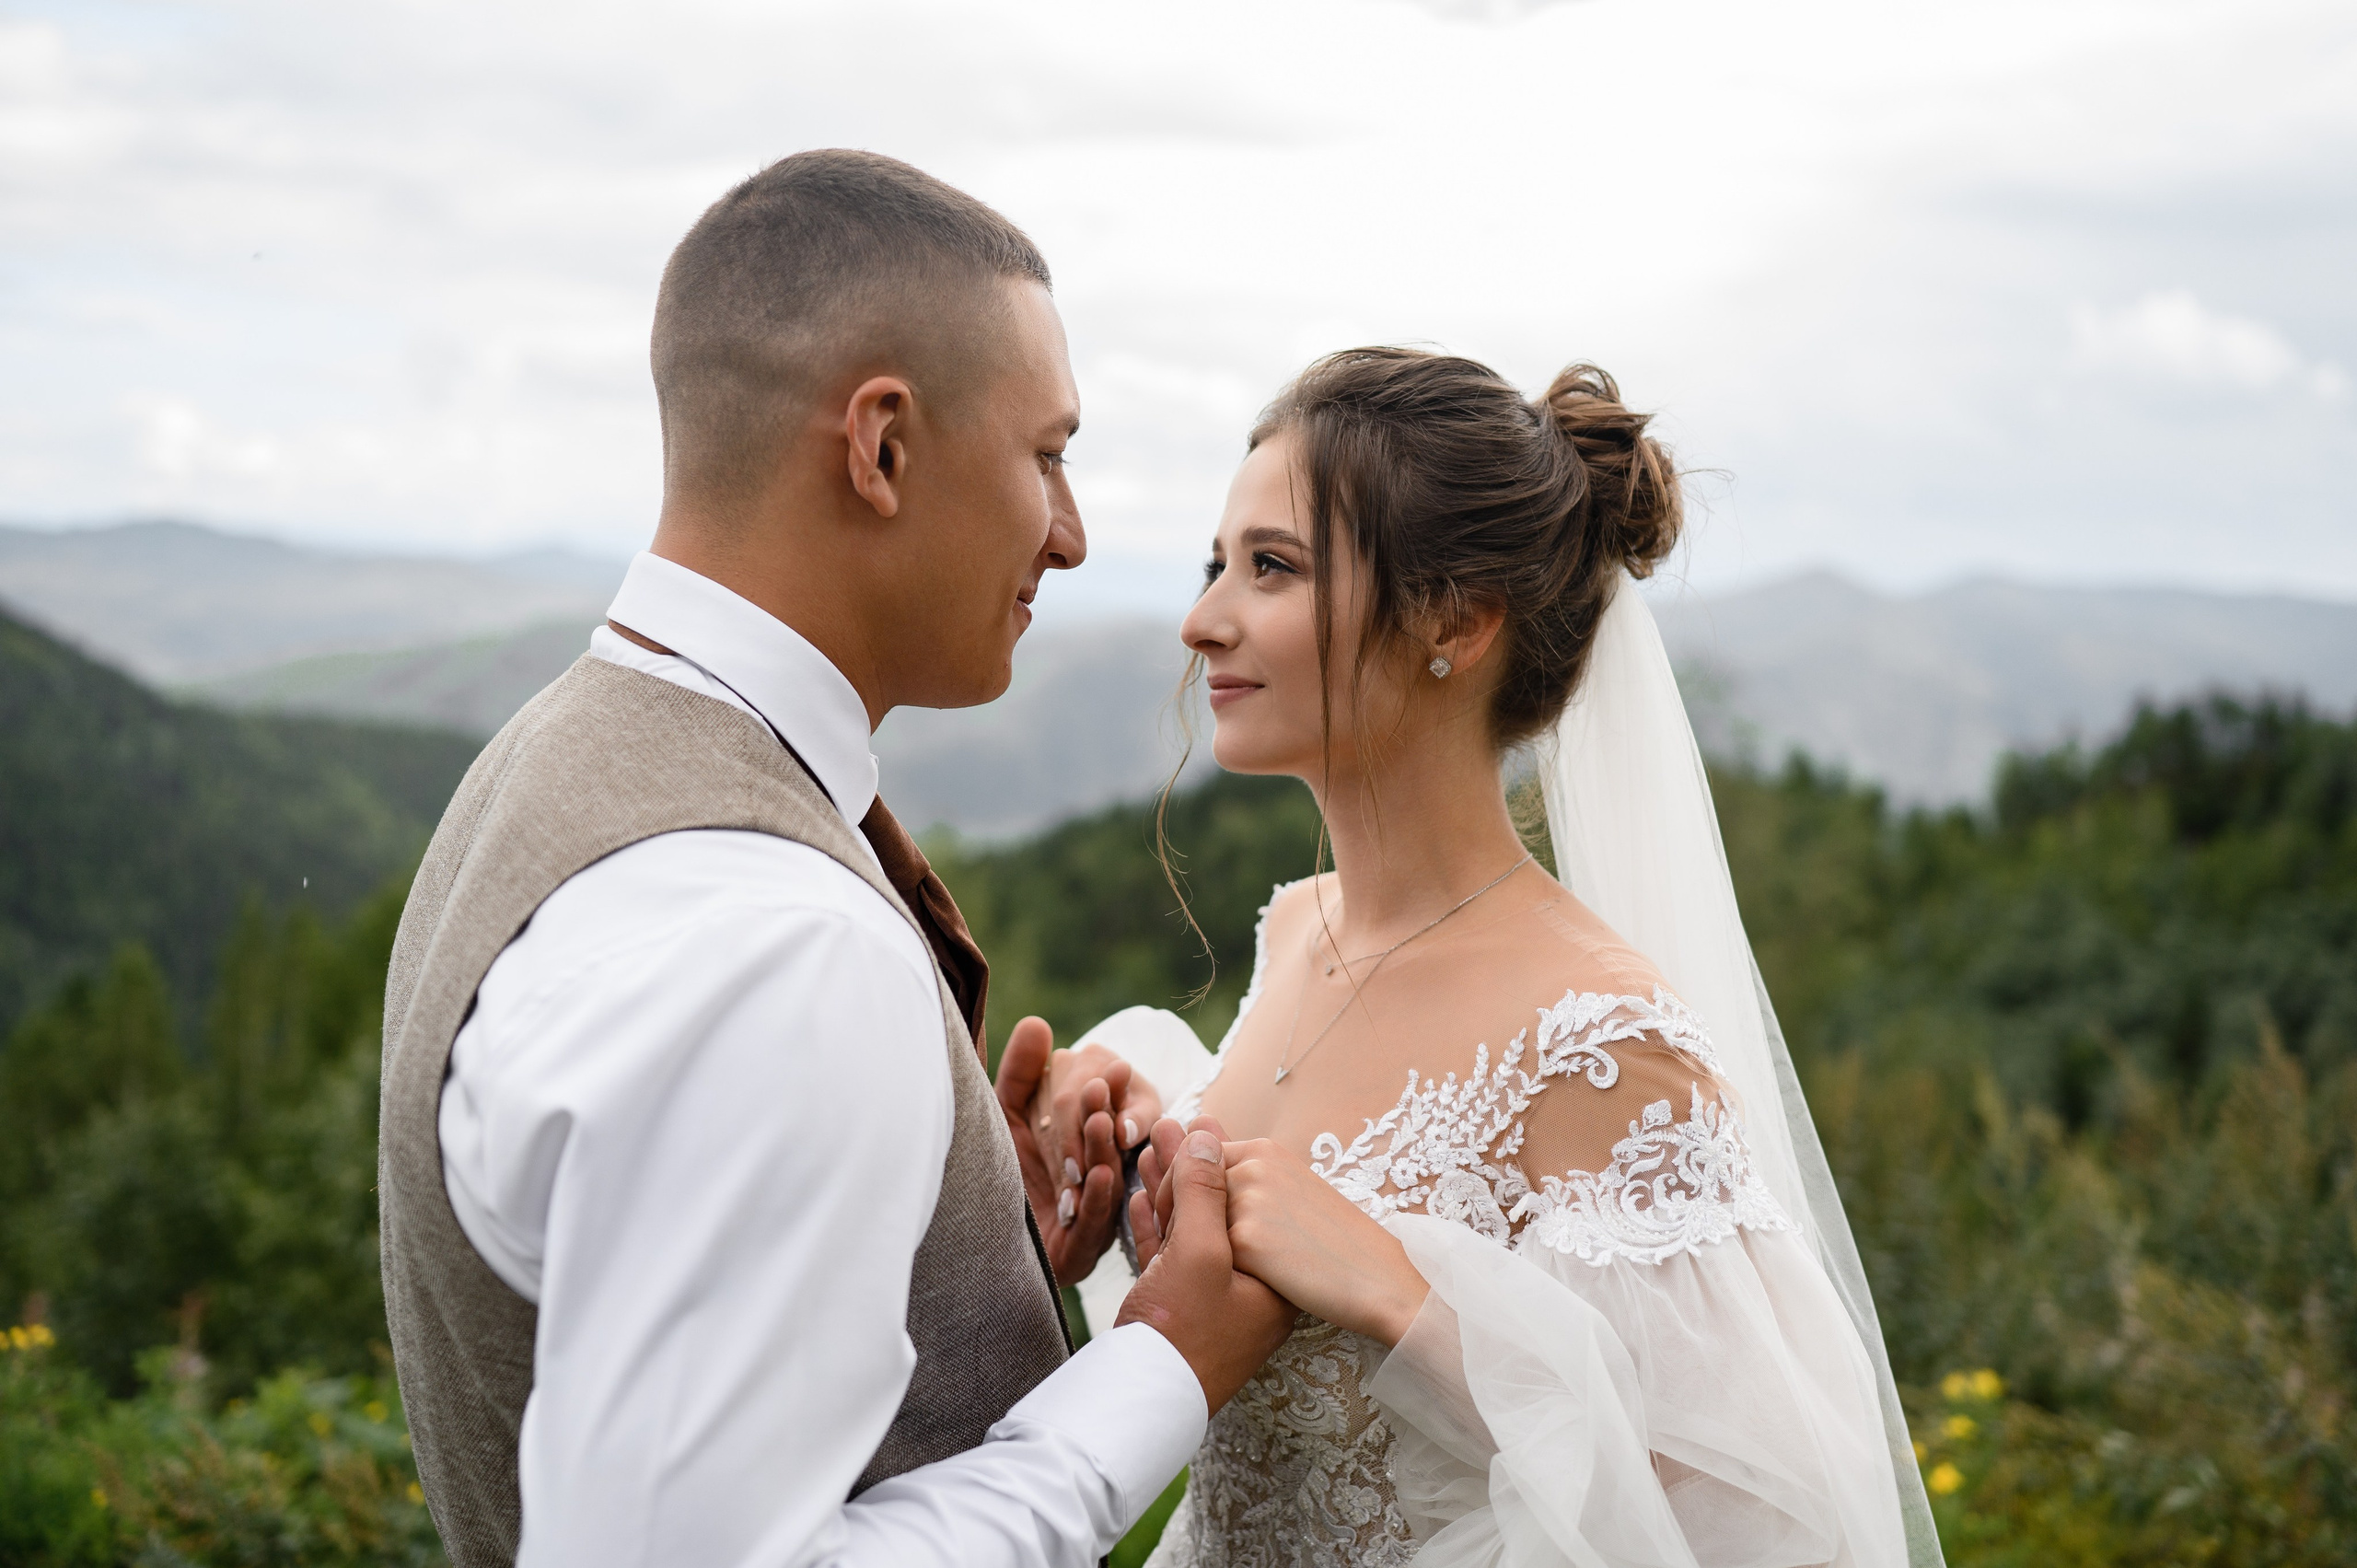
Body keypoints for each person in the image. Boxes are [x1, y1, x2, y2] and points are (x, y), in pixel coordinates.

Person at [376, 149, 1295, 1568]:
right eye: (1045, 454)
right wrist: (1164, 1362)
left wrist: (955, 1275)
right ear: (881, 448)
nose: (1071, 531)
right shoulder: (776, 950)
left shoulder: (554, 764)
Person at [1033, 348, 1944, 1565]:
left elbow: (1769, 1530)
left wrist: (1409, 1304)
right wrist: (1143, 1141)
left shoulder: (1605, 1048)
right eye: (1217, 565)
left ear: (1455, 620)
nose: (1205, 620)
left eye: (1272, 568)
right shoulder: (1298, 931)